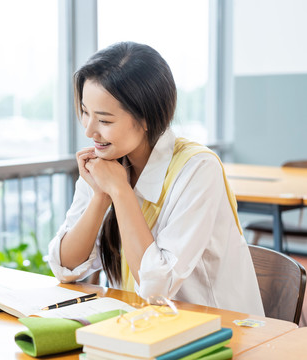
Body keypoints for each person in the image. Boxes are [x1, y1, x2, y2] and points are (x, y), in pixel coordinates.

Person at [47, 41, 264, 315]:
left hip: (217, 334)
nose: (90, 130)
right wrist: (101, 196)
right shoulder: (106, 164)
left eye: (104, 120)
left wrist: (121, 191)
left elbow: (156, 289)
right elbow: (64, 266)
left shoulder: (198, 169)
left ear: (147, 118)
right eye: (85, 112)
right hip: (142, 329)